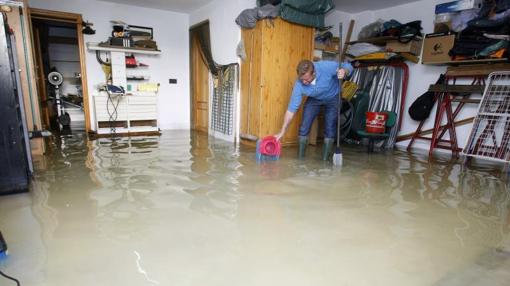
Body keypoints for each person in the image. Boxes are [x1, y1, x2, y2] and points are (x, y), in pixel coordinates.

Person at [274, 59, 353, 160]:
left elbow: (348, 66)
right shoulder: (299, 84)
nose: (304, 82)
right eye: (302, 79)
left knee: (329, 128)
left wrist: (344, 71)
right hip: (315, 99)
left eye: (307, 79)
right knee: (304, 126)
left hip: (333, 97)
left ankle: (325, 160)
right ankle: (300, 159)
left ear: (314, 73)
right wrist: (282, 131)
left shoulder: (326, 67)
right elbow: (291, 110)